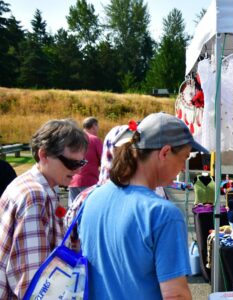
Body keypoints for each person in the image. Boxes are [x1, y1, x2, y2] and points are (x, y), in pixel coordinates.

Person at [78, 113, 205, 299]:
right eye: (184, 158)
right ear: (165, 152)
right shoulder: (163, 213)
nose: (183, 168)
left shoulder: (92, 199)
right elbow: (175, 295)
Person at [0, 119, 88, 299]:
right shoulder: (35, 198)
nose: (77, 171)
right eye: (71, 163)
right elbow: (34, 284)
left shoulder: (29, 186)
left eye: (81, 164)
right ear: (44, 154)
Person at [68, 117, 103, 205]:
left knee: (73, 210)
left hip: (72, 180)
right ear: (94, 126)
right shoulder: (95, 139)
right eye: (97, 126)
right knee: (90, 208)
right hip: (89, 180)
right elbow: (104, 159)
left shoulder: (73, 139)